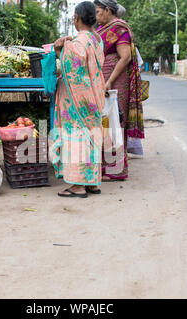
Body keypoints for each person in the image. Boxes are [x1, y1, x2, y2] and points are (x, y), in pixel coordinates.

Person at [51, 1, 106, 198]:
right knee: (91, 137)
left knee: (75, 138)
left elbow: (71, 68)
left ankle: (78, 185)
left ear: (76, 18)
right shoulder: (97, 40)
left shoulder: (78, 42)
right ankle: (91, 182)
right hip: (94, 96)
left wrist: (59, 50)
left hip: (77, 100)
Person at [94, 0, 145, 181]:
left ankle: (117, 169)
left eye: (98, 11)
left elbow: (125, 57)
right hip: (103, 81)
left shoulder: (119, 28)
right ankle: (105, 166)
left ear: (108, 10)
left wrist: (109, 81)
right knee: (103, 123)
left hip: (115, 83)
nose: (95, 15)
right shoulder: (102, 29)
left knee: (115, 122)